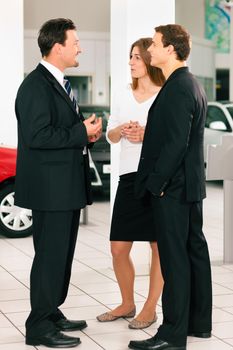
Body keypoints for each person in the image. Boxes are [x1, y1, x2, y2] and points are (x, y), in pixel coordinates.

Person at [14, 18, 102, 348]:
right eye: (75, 41)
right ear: (57, 47)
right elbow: (37, 136)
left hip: (65, 187)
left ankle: (51, 312)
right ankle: (38, 325)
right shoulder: (36, 86)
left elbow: (60, 133)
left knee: (61, 256)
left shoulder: (59, 84)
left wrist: (86, 133)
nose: (80, 47)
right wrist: (81, 131)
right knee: (50, 256)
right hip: (51, 190)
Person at [128, 24, 212, 350]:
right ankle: (198, 324)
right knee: (194, 254)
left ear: (171, 50)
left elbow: (177, 143)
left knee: (175, 260)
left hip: (174, 189)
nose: (150, 49)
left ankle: (172, 334)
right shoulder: (189, 83)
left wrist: (157, 184)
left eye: (156, 44)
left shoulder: (178, 87)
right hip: (189, 186)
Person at [96, 38, 165, 329]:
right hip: (127, 176)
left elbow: (171, 135)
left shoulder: (165, 94)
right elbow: (110, 135)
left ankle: (150, 307)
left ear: (150, 60)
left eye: (137, 57)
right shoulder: (124, 94)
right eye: (131, 56)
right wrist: (120, 130)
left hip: (156, 177)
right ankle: (127, 302)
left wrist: (146, 132)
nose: (131, 62)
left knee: (157, 246)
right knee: (118, 248)